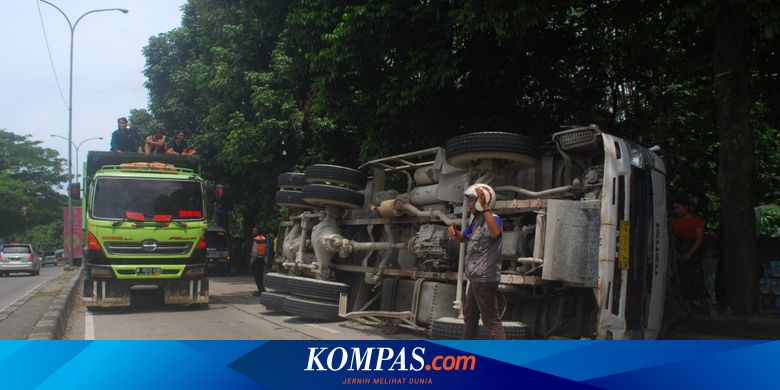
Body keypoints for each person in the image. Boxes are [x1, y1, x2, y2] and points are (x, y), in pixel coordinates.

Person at [447, 183, 506, 339]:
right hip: (475, 278)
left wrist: (486, 208)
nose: (470, 204)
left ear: (482, 201)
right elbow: (464, 238)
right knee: (470, 316)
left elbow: (494, 233)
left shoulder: (492, 219)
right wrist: (455, 233)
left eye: (473, 200)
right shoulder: (476, 222)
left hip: (485, 278)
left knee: (491, 321)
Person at [672, 196, 716, 317]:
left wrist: (690, 253)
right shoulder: (675, 223)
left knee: (697, 279)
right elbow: (673, 239)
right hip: (680, 250)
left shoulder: (696, 221)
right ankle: (688, 306)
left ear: (685, 208)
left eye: (678, 208)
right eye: (675, 209)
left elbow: (699, 239)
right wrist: (676, 252)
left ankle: (710, 307)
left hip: (694, 251)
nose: (676, 211)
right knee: (683, 280)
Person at [250, 227, 268, 296]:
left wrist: (251, 261)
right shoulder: (264, 239)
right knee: (260, 275)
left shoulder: (255, 239)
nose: (252, 232)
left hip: (256, 259)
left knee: (257, 275)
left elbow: (254, 252)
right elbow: (266, 249)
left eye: (254, 231)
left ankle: (260, 291)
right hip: (262, 259)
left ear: (257, 232)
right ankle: (262, 289)